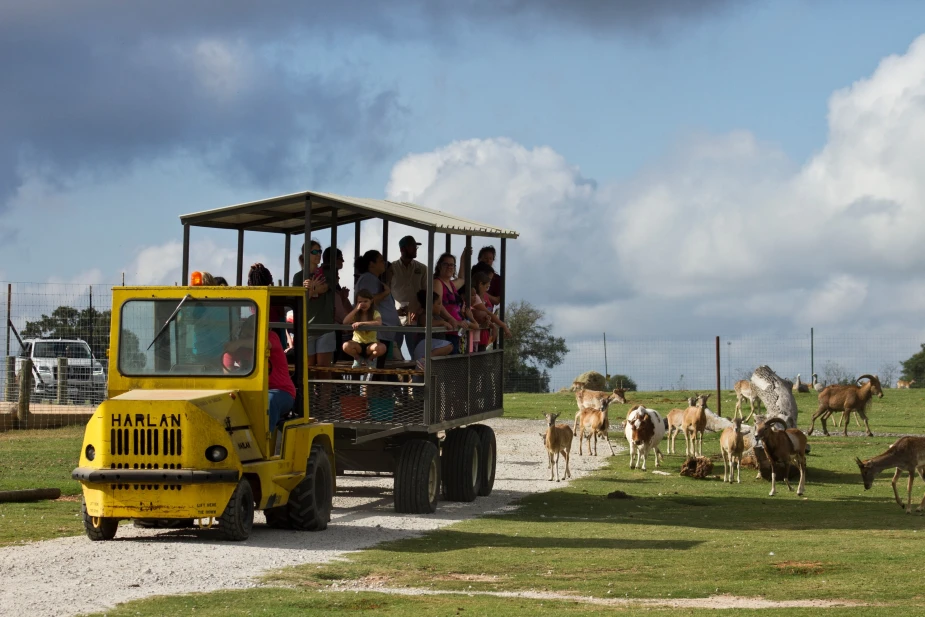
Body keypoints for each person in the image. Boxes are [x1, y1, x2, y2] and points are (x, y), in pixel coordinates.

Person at [355, 250, 400, 363]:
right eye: (380, 260)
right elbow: (367, 302)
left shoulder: (373, 279)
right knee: (375, 368)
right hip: (378, 334)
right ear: (371, 264)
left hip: (383, 333)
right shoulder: (368, 278)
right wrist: (385, 293)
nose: (384, 263)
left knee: (379, 368)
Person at [386, 235, 428, 359]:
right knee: (394, 353)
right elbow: (385, 292)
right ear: (403, 249)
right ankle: (398, 377)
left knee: (416, 352)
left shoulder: (422, 268)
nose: (415, 249)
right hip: (395, 318)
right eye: (412, 246)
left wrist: (420, 311)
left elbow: (427, 292)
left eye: (416, 246)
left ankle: (415, 378)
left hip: (415, 318)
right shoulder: (391, 268)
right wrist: (391, 312)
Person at [433, 248, 476, 354]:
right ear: (439, 266)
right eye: (446, 264)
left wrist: (463, 258)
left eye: (452, 265)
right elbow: (439, 305)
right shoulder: (437, 283)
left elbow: (462, 278)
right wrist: (453, 320)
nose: (449, 267)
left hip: (458, 331)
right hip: (446, 331)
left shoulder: (451, 284)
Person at [342, 289, 385, 368]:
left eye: (365, 301)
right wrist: (356, 309)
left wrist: (361, 323)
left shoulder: (375, 313)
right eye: (360, 302)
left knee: (382, 347)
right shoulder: (355, 314)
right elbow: (345, 322)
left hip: (370, 345)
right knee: (345, 346)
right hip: (357, 344)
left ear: (371, 301)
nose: (363, 304)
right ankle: (357, 358)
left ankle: (370, 359)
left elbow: (378, 323)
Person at [470, 270, 512, 351]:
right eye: (486, 287)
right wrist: (504, 326)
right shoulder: (475, 298)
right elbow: (488, 313)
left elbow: (488, 315)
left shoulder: (484, 297)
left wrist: (493, 326)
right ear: (480, 284)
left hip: (481, 335)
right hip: (474, 336)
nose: (487, 290)